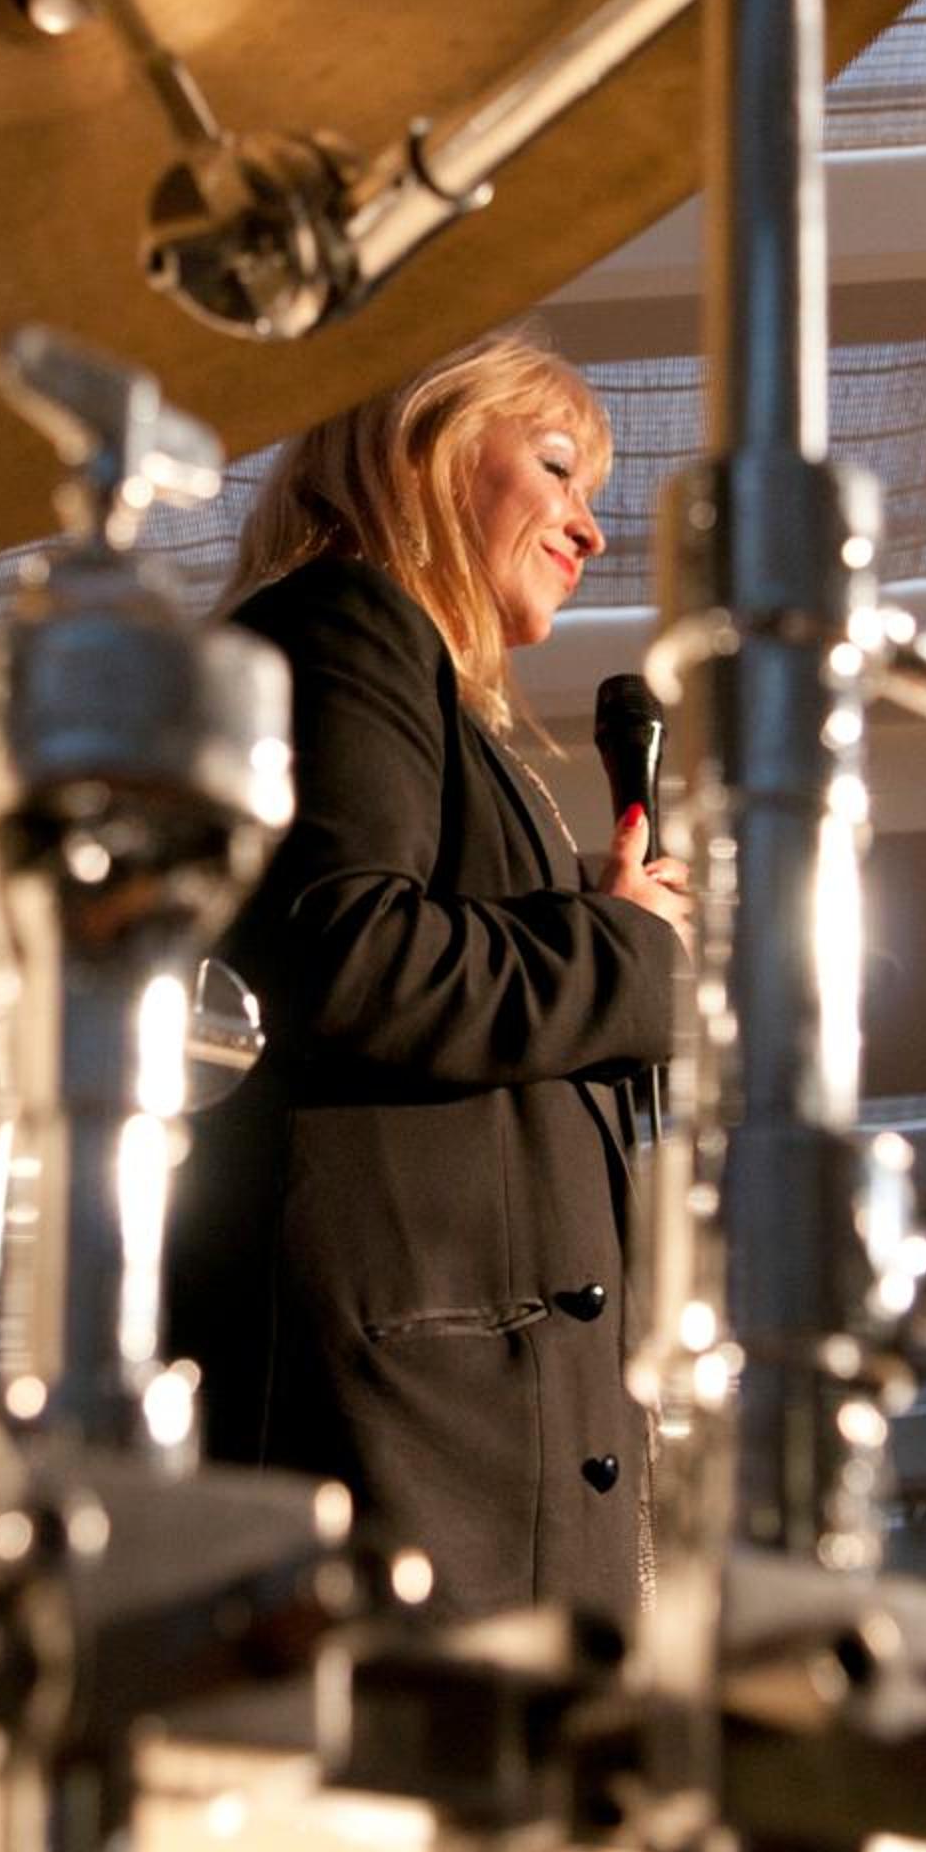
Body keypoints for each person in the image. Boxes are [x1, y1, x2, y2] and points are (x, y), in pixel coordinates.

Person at [168, 329, 688, 1631]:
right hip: (415, 1450)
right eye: (557, 468)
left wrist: (595, 924)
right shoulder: (345, 620)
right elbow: (348, 953)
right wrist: (628, 949)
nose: (591, 530)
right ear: (427, 449)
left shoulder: (424, 696)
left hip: (463, 1447)